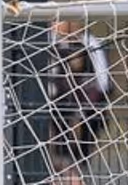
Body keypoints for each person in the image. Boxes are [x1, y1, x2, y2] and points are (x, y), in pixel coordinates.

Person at [46, 20, 112, 165]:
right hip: (58, 99)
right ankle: (61, 160)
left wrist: (99, 96)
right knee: (57, 122)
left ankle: (80, 162)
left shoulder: (90, 43)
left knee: (90, 122)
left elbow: (103, 78)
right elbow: (49, 76)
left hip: (86, 98)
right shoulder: (47, 43)